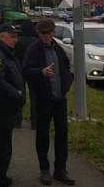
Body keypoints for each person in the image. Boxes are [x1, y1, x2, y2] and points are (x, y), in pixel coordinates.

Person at [23, 19, 75, 186]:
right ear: (38, 34)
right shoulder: (33, 50)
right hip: (43, 100)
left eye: (49, 33)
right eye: (43, 34)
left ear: (53, 32)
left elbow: (66, 68)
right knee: (43, 135)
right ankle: (44, 170)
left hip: (60, 99)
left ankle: (60, 170)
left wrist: (67, 84)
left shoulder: (58, 48)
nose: (46, 36)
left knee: (62, 135)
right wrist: (41, 72)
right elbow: (26, 71)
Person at [0, 24, 25, 187]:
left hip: (7, 105)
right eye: (12, 36)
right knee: (1, 144)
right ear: (2, 36)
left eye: (16, 36)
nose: (16, 40)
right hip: (2, 106)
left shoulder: (6, 52)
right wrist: (16, 94)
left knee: (3, 142)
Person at [14, 19, 38, 129]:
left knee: (19, 95)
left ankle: (17, 120)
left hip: (20, 70)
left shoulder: (17, 40)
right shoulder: (35, 41)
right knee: (34, 97)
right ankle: (34, 121)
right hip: (33, 71)